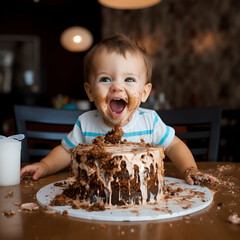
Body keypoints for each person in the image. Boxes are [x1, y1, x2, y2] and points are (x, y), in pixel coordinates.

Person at [21, 34, 214, 185]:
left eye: (129, 79)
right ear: (89, 91)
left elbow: (174, 146)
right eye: (105, 79)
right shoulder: (86, 123)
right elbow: (65, 152)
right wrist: (44, 166)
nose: (116, 87)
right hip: (95, 203)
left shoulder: (150, 121)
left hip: (144, 202)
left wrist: (190, 169)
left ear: (145, 92)